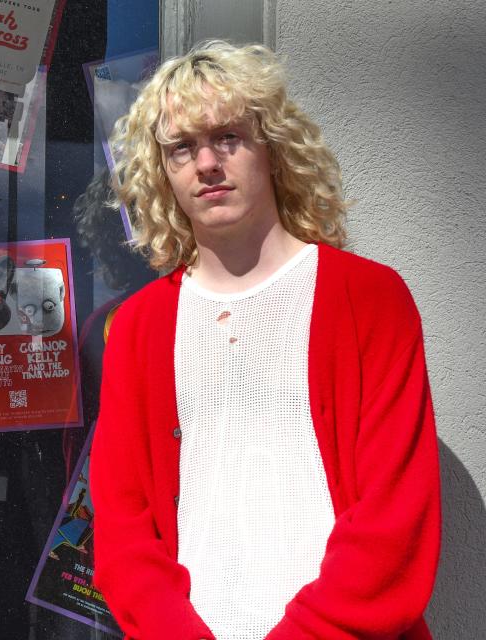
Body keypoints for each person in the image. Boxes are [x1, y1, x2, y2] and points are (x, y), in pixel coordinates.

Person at [90, 41, 440, 640]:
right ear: (162, 174)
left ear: (273, 149)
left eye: (228, 137)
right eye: (181, 148)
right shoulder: (138, 328)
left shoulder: (371, 301)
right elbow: (124, 530)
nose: (206, 163)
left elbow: (395, 522)